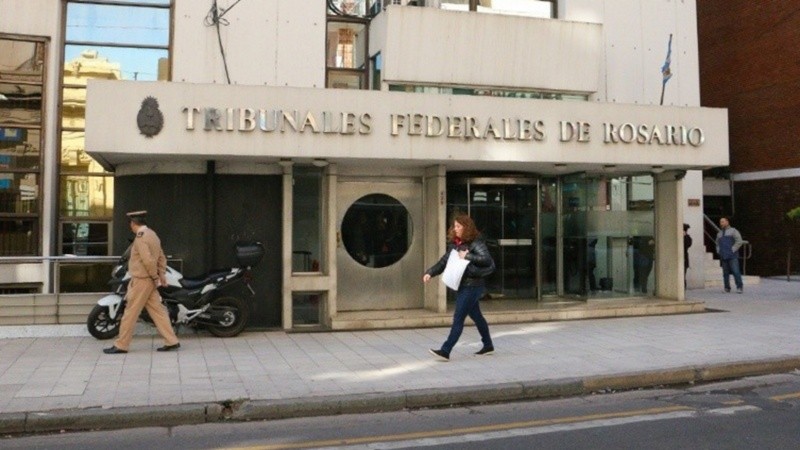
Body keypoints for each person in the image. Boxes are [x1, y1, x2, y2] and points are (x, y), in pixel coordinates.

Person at [103, 211, 181, 354]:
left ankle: (121, 345)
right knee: (158, 311)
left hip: (141, 281)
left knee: (130, 313)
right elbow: (161, 256)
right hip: (149, 281)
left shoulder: (140, 238)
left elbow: (148, 260)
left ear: (133, 224)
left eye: (130, 224)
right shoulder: (153, 235)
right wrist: (161, 274)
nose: (130, 226)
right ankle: (172, 341)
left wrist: (154, 277)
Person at [423, 214, 494, 361]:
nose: (455, 229)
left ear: (466, 227)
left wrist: (467, 257)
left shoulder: (476, 243)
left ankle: (445, 350)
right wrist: (430, 272)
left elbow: (486, 259)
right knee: (477, 316)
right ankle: (488, 345)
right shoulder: (456, 244)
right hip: (464, 285)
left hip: (473, 286)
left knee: (458, 318)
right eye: (454, 226)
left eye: (458, 227)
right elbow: (444, 262)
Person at [716, 217, 743, 294]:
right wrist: (719, 250)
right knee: (725, 273)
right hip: (723, 256)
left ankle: (739, 287)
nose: (722, 223)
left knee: (736, 271)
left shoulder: (733, 231)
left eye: (723, 221)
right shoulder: (719, 233)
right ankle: (727, 288)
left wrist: (733, 249)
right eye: (721, 222)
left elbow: (739, 241)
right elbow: (717, 243)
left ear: (727, 222)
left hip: (732, 256)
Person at [683, 223, 693, 289]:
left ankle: (683, 287)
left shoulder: (688, 238)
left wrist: (685, 236)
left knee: (683, 273)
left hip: (684, 257)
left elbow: (688, 245)